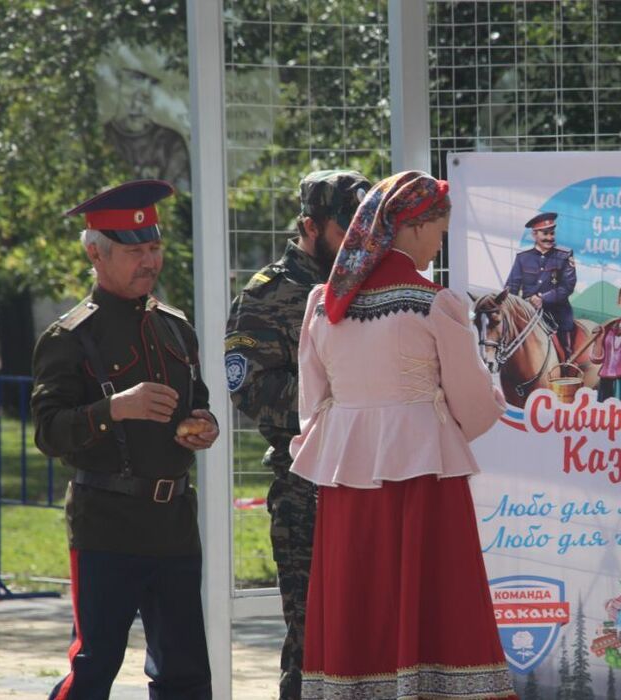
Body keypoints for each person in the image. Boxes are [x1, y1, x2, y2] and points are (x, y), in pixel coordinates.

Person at [289, 170, 516, 699]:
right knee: (433, 592)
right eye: (438, 230)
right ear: (412, 226)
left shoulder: (323, 302)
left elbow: (313, 401)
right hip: (423, 472)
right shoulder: (433, 302)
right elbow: (472, 405)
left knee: (356, 590)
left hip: (346, 476)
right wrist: (485, 404)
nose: (439, 244)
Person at [32, 179, 219, 700]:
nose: (149, 261)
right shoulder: (70, 337)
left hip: (173, 523)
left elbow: (197, 399)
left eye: (154, 248)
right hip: (106, 525)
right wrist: (115, 408)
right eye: (135, 251)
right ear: (96, 253)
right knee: (94, 668)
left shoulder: (176, 327)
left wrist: (203, 425)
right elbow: (48, 431)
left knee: (186, 674)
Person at [224, 169, 371, 700]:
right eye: (345, 228)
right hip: (306, 490)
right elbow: (251, 389)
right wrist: (340, 401)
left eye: (365, 226)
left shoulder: (373, 282)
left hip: (374, 481)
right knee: (313, 643)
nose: (357, 240)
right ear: (310, 226)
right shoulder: (268, 295)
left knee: (377, 637)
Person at [104, 67, 191, 191]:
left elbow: (182, 195)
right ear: (117, 87)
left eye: (145, 97)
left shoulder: (170, 143)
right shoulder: (101, 137)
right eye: (132, 94)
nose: (138, 105)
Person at [505, 212, 578, 358]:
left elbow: (568, 286)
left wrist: (543, 299)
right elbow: (512, 286)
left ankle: (565, 366)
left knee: (565, 354)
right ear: (534, 235)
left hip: (556, 313)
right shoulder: (523, 258)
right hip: (528, 312)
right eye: (545, 233)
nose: (550, 238)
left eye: (552, 233)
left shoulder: (564, 255)